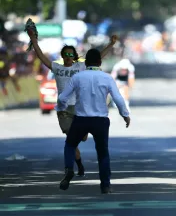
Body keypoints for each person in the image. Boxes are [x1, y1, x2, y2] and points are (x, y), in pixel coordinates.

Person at [27, 29, 118, 177]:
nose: (68, 57)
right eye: (66, 54)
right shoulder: (57, 67)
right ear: (62, 56)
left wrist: (110, 44)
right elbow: (41, 56)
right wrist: (34, 41)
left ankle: (78, 163)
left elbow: (98, 57)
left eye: (71, 54)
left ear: (74, 56)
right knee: (71, 140)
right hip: (63, 110)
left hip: (78, 108)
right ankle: (77, 166)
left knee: (80, 138)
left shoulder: (80, 67)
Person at [55, 48, 130, 194]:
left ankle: (69, 168)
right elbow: (118, 98)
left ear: (86, 62)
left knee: (70, 145)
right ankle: (105, 185)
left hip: (81, 119)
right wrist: (125, 115)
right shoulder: (107, 78)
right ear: (100, 62)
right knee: (103, 153)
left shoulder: (78, 77)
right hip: (100, 121)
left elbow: (63, 98)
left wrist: (61, 107)